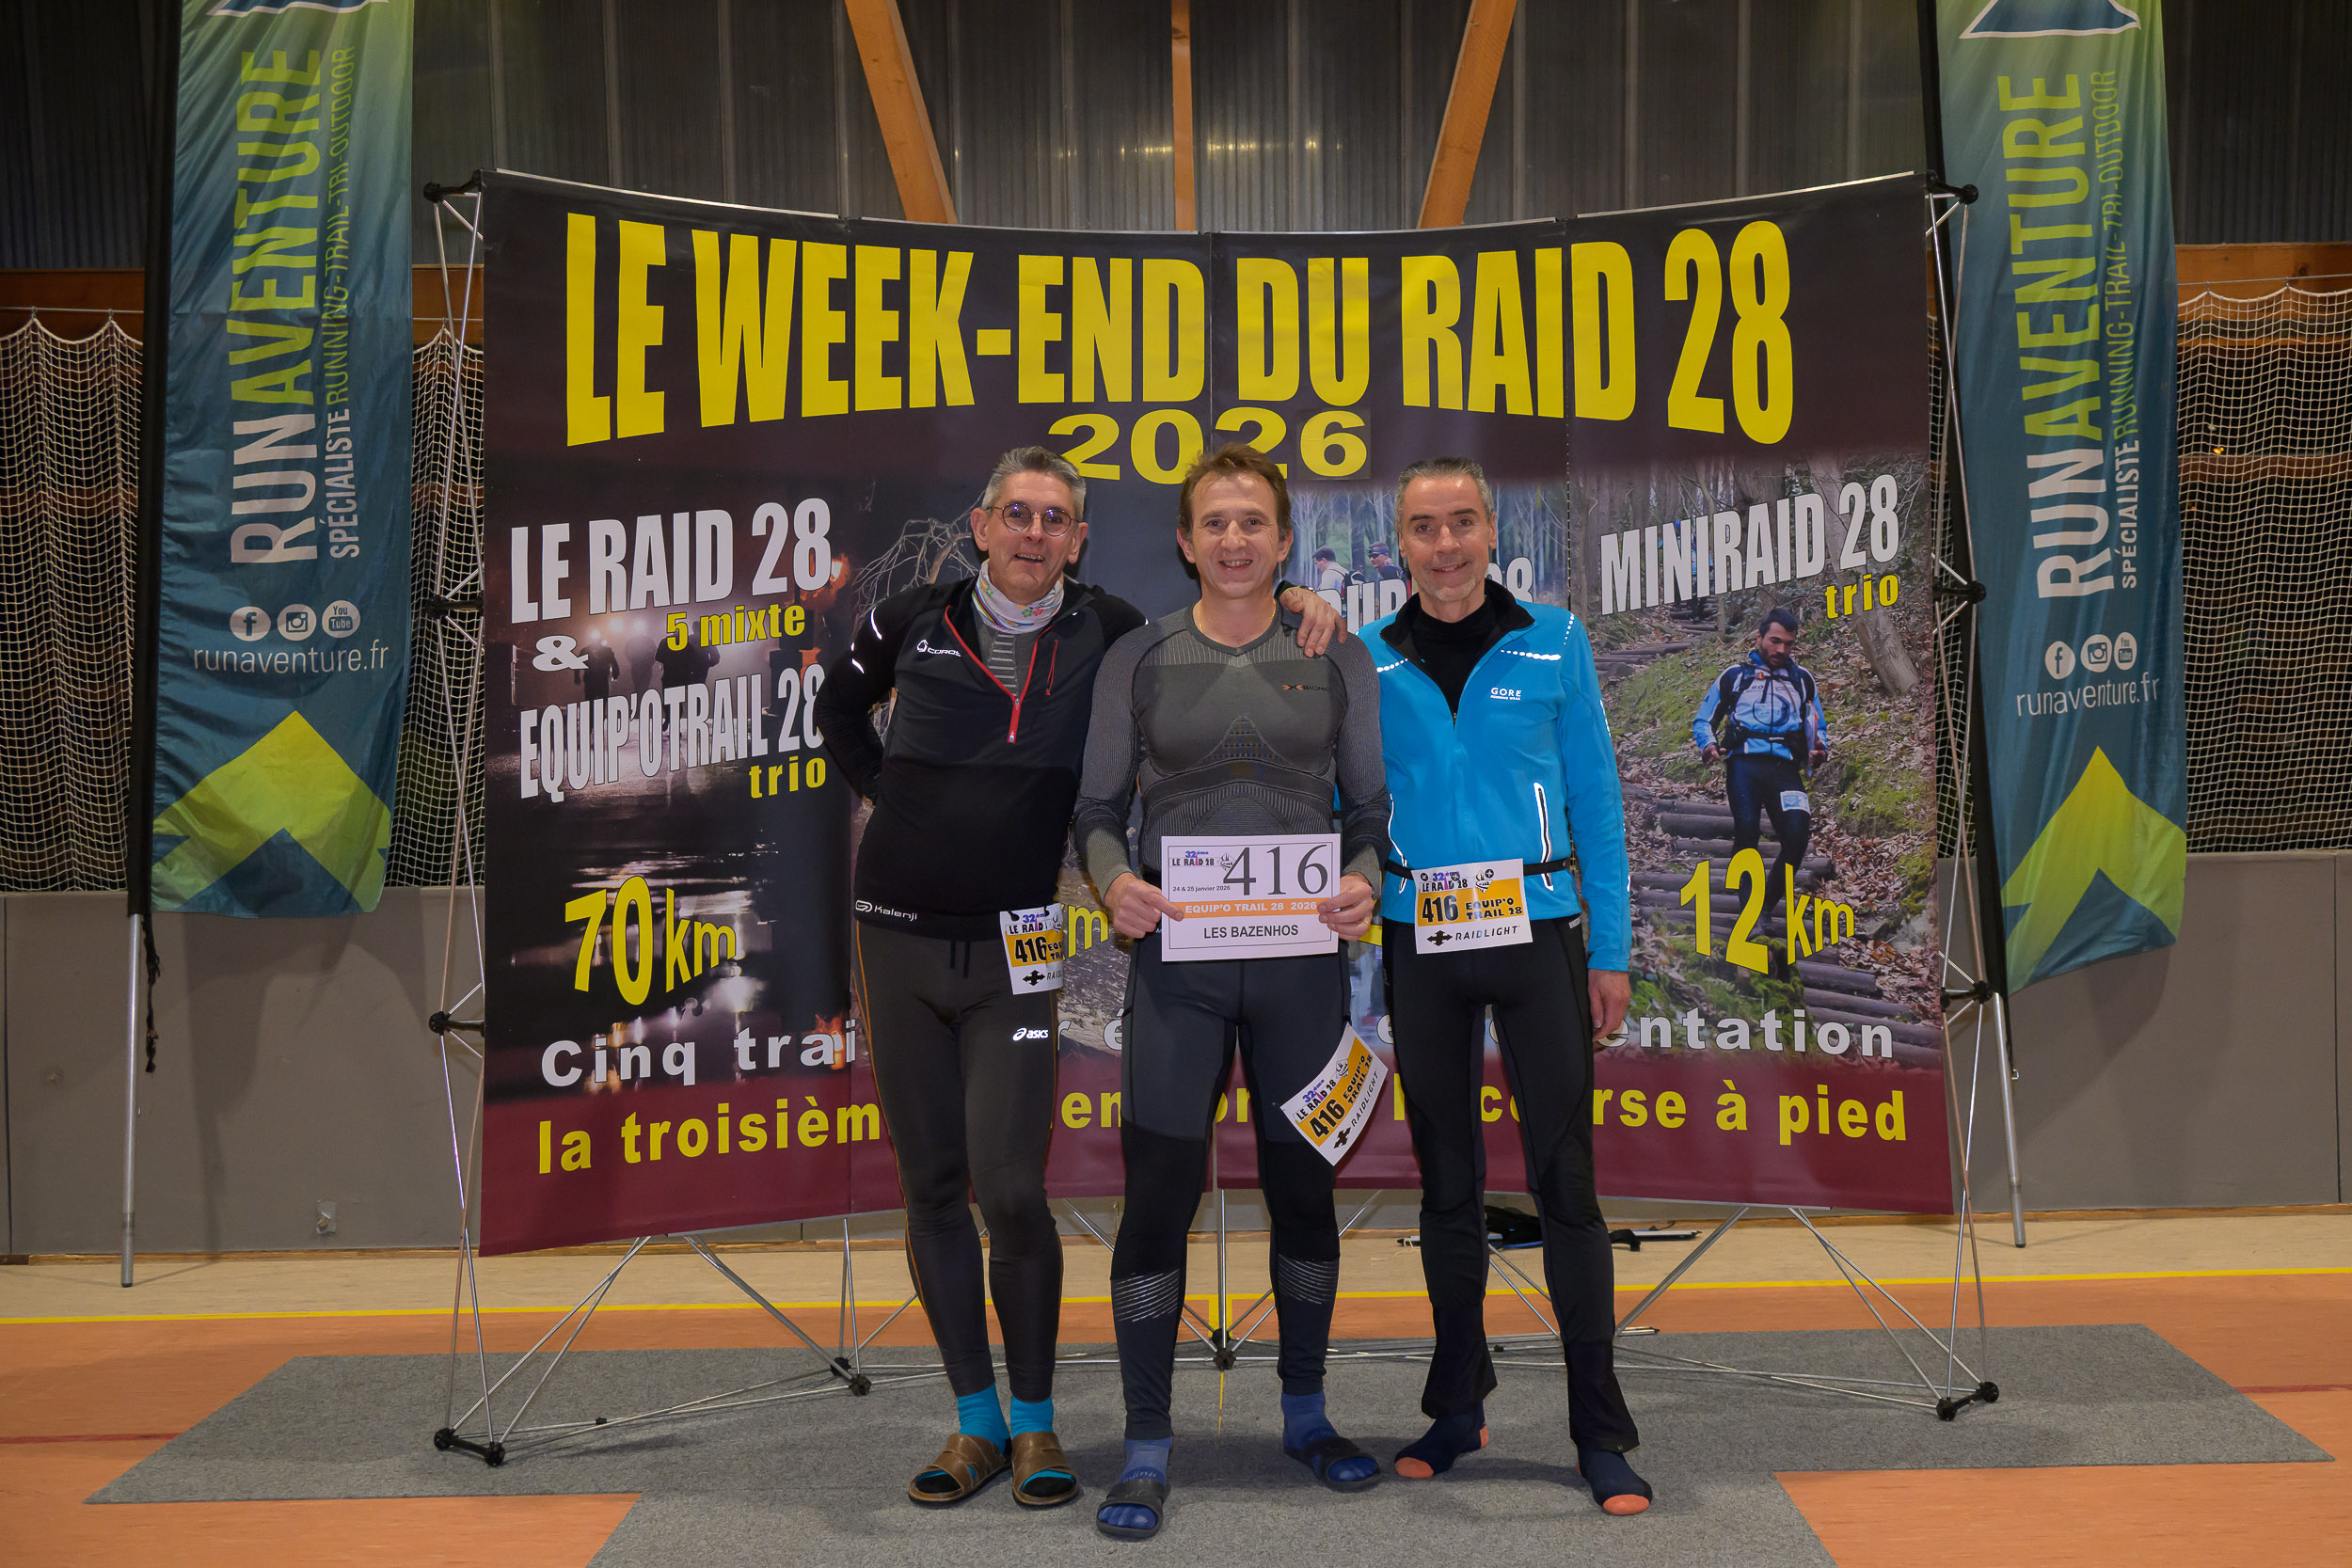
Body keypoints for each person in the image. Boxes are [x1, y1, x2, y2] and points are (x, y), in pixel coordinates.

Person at [813, 446, 1342, 1513]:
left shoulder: (1110, 629)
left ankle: (1038, 1417)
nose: (1034, 532)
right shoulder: (913, 616)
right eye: (1017, 513)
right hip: (897, 933)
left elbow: (1215, 617)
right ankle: (976, 1424)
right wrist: (896, 799)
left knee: (1012, 1187)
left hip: (1018, 940)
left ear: (1079, 538)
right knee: (932, 1188)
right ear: (981, 524)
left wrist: (1294, 599)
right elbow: (837, 713)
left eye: (1055, 518)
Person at [1073, 444, 1388, 1540]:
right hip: (1181, 971)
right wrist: (1113, 881)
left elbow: (1368, 810)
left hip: (1302, 967)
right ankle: (1146, 1442)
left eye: (1253, 521)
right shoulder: (1140, 656)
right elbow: (1096, 807)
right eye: (1214, 521)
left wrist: (1363, 877)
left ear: (1284, 538)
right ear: (1184, 539)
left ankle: (1306, 1413)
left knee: (1302, 1191)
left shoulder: (1334, 651)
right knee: (1158, 1197)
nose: (1234, 539)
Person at [1366, 456, 1650, 1516]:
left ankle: (1599, 1427)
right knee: (1447, 1183)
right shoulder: (1366, 656)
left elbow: (1598, 802)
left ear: (1491, 531)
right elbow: (1352, 799)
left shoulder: (1555, 639)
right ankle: (1456, 1403)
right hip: (1422, 934)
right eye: (1424, 526)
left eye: (1461, 522)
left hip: (1538, 931)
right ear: (1400, 543)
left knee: (1565, 1180)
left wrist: (1610, 950)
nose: (1445, 544)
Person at [1692, 606, 1829, 927]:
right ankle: (1751, 916)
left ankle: (1765, 906)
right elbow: (1703, 720)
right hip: (1744, 765)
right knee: (1747, 831)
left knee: (1797, 837)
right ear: (1759, 637)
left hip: (1785, 768)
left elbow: (1818, 725)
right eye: (1775, 641)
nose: (1781, 650)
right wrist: (1708, 745)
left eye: (1788, 644)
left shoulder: (1802, 680)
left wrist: (1820, 748)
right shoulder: (1734, 677)